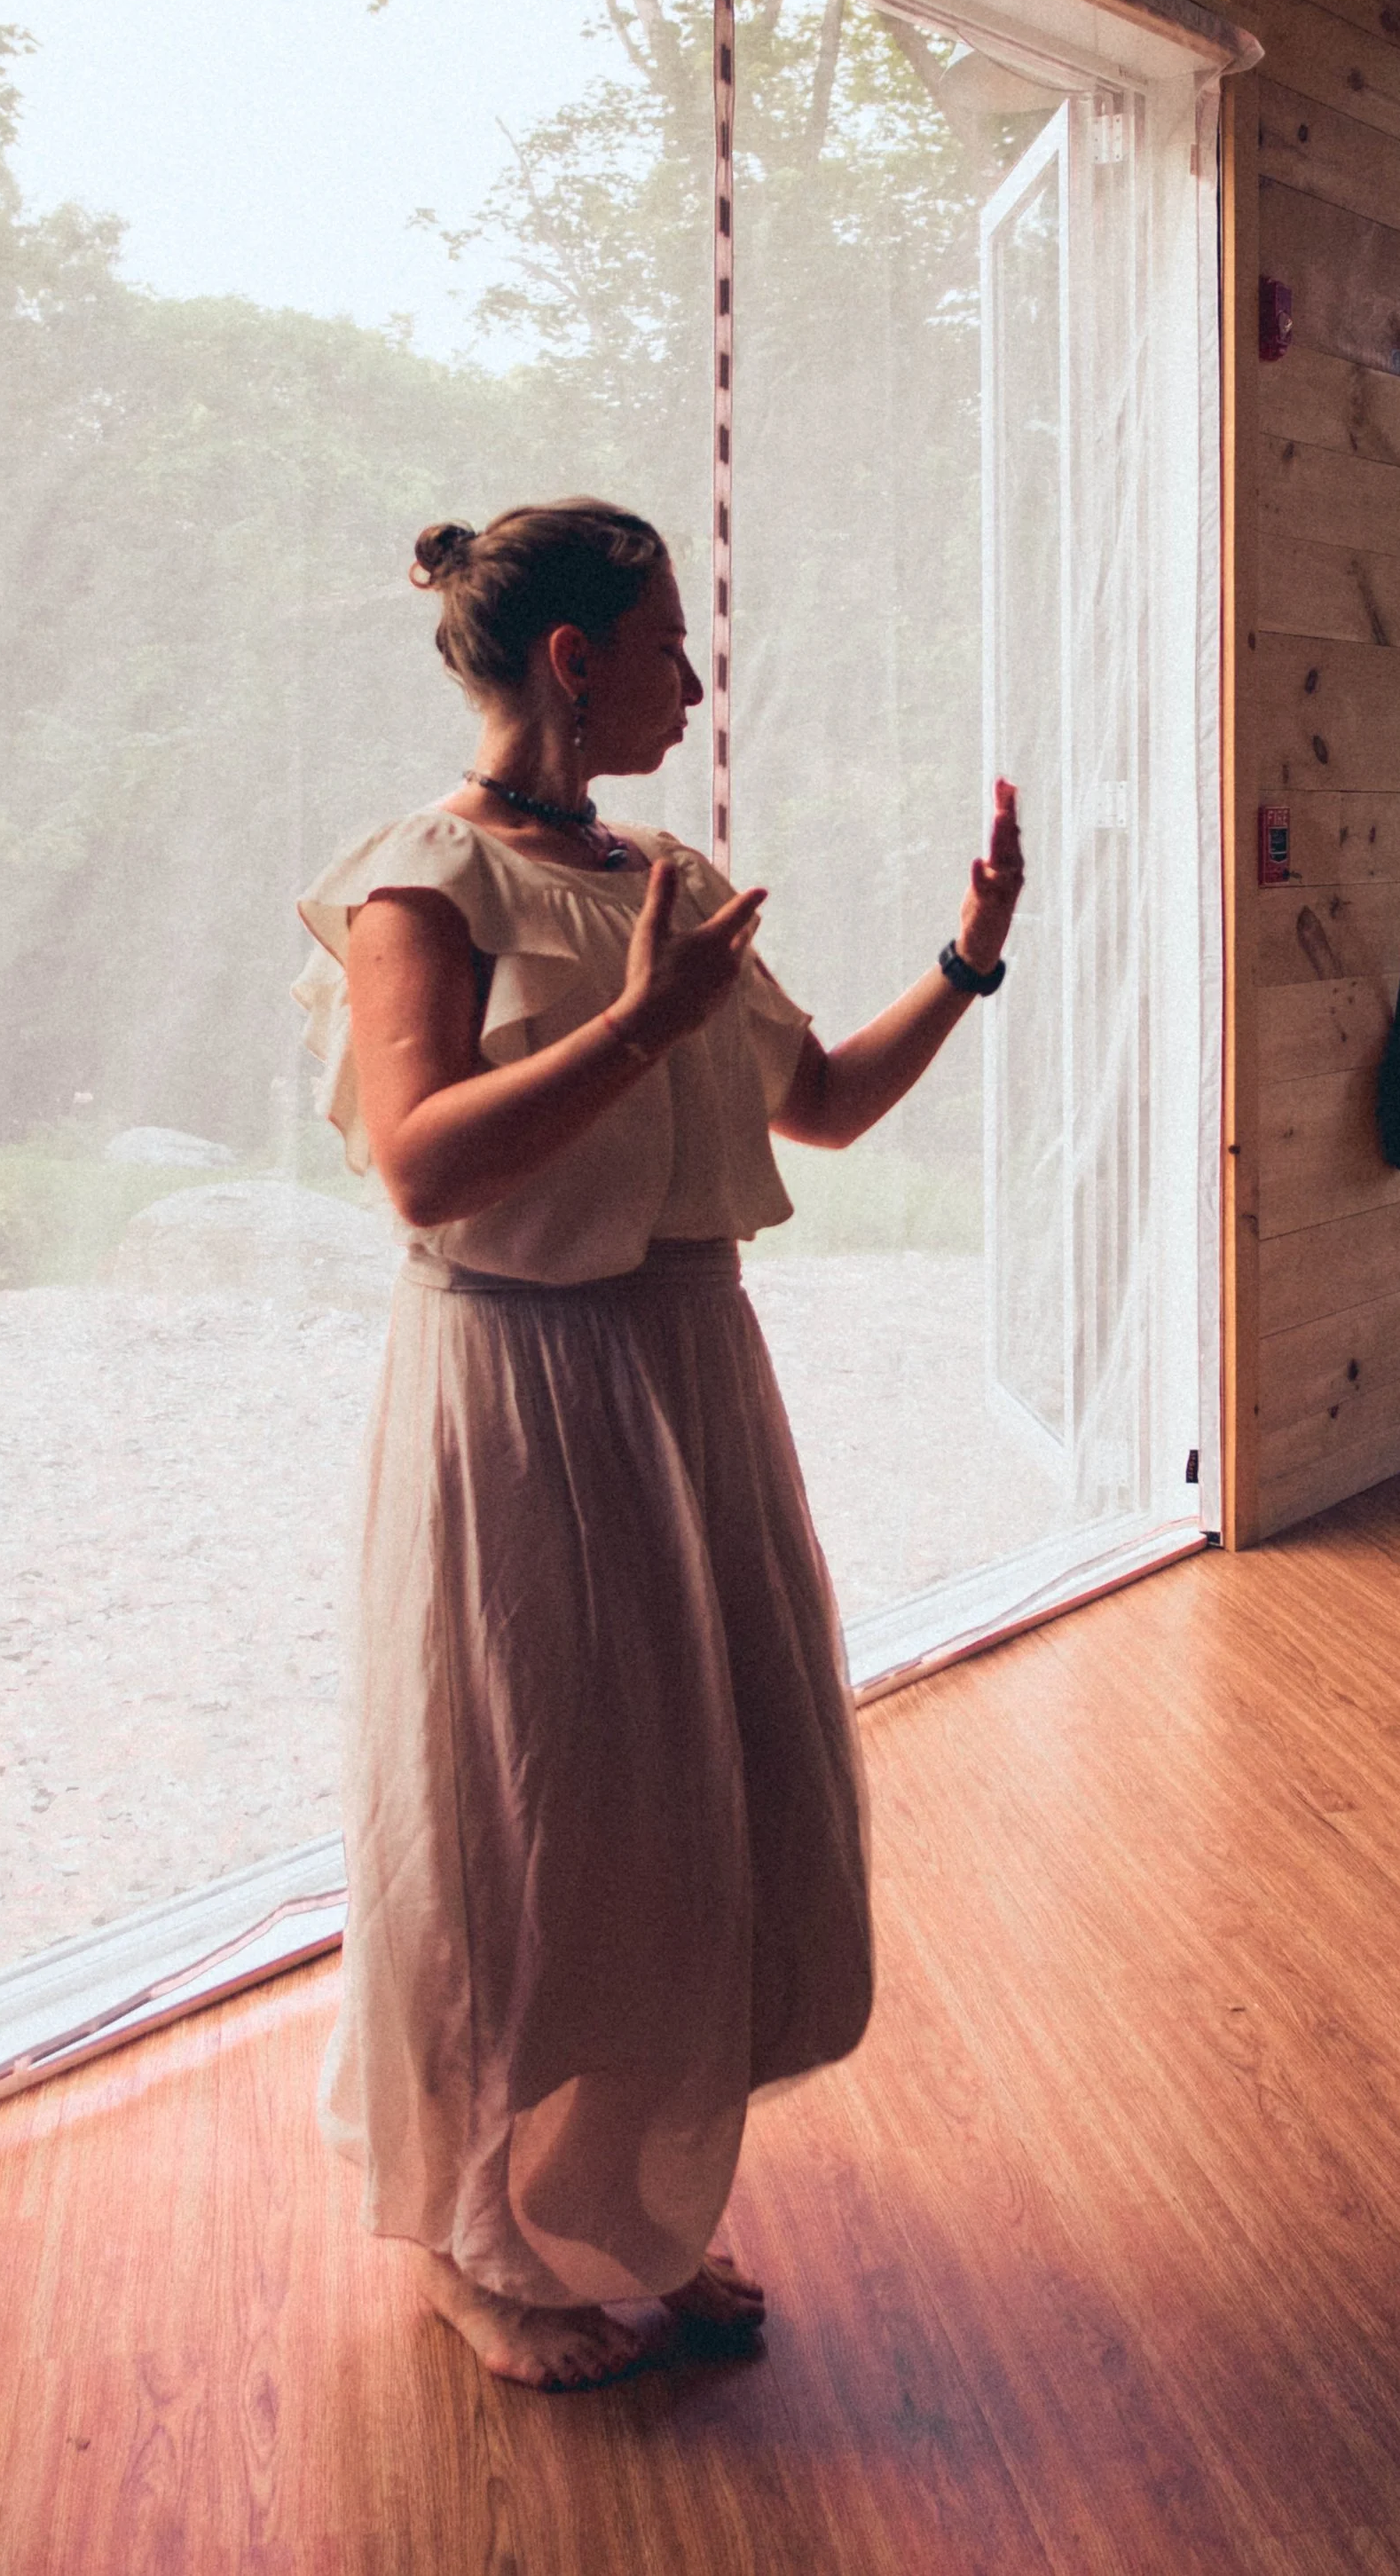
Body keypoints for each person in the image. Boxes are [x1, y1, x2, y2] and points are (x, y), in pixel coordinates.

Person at [295, 498, 1023, 2391]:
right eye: (670, 646)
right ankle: (476, 2249)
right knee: (523, 1831)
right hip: (520, 1389)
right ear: (573, 660)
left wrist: (967, 959)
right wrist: (631, 1028)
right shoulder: (422, 884)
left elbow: (823, 1105)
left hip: (689, 1373)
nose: (694, 686)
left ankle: (625, 2215)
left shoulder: (670, 876)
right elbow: (420, 1165)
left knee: (683, 1821)